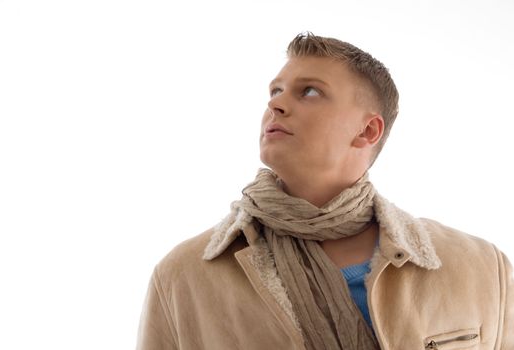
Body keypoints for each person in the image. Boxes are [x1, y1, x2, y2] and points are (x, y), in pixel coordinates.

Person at [136, 33, 513, 349]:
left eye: (310, 92)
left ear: (367, 131)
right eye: (276, 91)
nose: (276, 104)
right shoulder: (184, 277)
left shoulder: (478, 267)